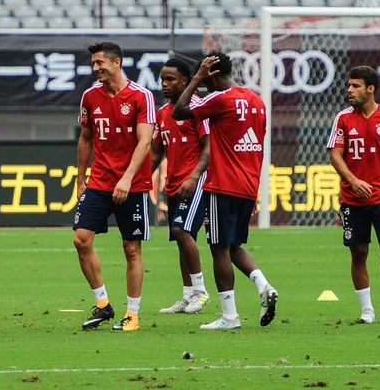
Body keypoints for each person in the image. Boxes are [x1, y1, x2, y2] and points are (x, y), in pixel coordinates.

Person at [172, 51, 278, 330]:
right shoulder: (257, 101)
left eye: (206, 78)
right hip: (247, 186)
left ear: (212, 75)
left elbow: (179, 110)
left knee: (218, 249)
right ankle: (263, 284)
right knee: (233, 246)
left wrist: (195, 79)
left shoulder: (220, 99)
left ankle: (229, 317)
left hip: (222, 185)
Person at [73, 41, 155, 331]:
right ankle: (103, 305)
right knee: (81, 239)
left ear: (116, 62)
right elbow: (86, 138)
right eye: (93, 63)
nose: (95, 68)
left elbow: (145, 141)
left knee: (131, 249)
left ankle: (132, 315)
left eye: (100, 63)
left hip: (133, 184)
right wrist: (81, 179)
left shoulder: (141, 96)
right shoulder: (90, 97)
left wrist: (128, 177)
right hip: (99, 181)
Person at [327, 65, 380, 324]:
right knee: (359, 252)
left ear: (370, 89)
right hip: (353, 198)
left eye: (355, 85)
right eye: (349, 85)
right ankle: (367, 310)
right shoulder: (343, 118)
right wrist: (352, 181)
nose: (349, 90)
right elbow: (335, 155)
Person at [151, 58, 211, 314]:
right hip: (174, 184)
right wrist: (140, 180)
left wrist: (194, 177)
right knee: (181, 237)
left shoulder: (198, 107)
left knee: (181, 230)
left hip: (195, 182)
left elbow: (210, 148)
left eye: (171, 79)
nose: (165, 84)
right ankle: (188, 296)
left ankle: (201, 291)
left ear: (185, 81)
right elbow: (156, 153)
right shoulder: (163, 113)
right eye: (163, 79)